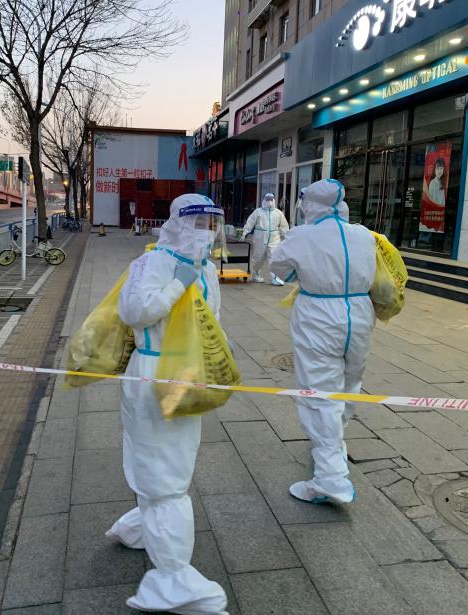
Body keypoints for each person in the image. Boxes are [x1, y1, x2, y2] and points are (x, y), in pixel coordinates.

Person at [106, 194, 228, 615]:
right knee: (163, 472)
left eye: (211, 224)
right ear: (176, 222)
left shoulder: (206, 268)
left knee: (172, 462)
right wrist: (177, 284)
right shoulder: (150, 263)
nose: (206, 232)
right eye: (198, 223)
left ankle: (150, 526)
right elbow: (134, 312)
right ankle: (173, 577)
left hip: (187, 373)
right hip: (153, 373)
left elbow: (212, 320)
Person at [270, 179, 376, 505]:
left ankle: (330, 478)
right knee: (350, 381)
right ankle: (333, 441)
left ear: (310, 205)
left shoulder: (302, 236)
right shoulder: (364, 234)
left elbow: (280, 269)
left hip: (318, 315)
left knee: (318, 392)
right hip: (360, 313)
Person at [241, 193, 289, 285]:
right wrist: (245, 232)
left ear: (274, 200)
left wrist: (287, 236)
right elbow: (250, 221)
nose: (269, 201)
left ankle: (274, 278)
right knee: (258, 258)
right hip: (260, 238)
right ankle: (255, 274)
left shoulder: (278, 213)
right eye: (267, 199)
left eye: (271, 199)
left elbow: (284, 225)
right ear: (263, 200)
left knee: (274, 258)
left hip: (274, 239)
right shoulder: (258, 212)